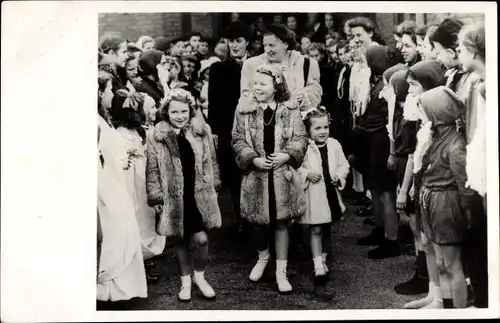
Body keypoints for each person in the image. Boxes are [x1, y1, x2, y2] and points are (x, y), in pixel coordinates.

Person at [232, 64, 308, 293]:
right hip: (256, 175)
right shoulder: (244, 109)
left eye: (263, 84)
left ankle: (281, 271)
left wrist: (286, 155)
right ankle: (263, 256)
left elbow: (301, 138)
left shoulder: (289, 108)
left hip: (282, 175)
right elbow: (237, 139)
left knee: (282, 222)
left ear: (276, 86)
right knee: (258, 223)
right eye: (255, 83)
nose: (257, 88)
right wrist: (253, 159)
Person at [146, 88, 222, 302]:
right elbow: (152, 169)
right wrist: (156, 197)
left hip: (198, 194)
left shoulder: (201, 131)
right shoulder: (157, 136)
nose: (180, 116)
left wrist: (214, 183)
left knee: (201, 239)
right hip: (173, 196)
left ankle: (200, 276)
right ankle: (185, 282)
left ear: (191, 110)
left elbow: (211, 160)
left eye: (184, 111)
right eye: (174, 112)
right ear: (166, 113)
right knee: (179, 240)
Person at [413, 86, 477, 308]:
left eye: (425, 110)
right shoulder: (436, 137)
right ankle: (447, 307)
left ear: (437, 115)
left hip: (445, 206)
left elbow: (465, 187)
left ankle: (459, 309)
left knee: (452, 265)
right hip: (433, 203)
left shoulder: (455, 145)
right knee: (441, 263)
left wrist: (467, 216)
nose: (421, 113)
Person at [398, 59, 447, 308]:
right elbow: (412, 154)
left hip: (435, 186)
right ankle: (432, 292)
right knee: (426, 241)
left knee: (437, 244)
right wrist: (407, 187)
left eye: (413, 85)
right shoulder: (418, 112)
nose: (410, 91)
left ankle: (441, 298)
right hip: (421, 181)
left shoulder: (438, 115)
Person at [97, 70, 147, 302]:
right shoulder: (96, 123)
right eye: (107, 90)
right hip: (107, 185)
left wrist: (123, 158)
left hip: (114, 182)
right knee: (116, 235)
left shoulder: (101, 118)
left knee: (124, 233)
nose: (110, 95)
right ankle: (110, 289)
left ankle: (121, 289)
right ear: (98, 93)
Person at [111, 89, 166, 284]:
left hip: (143, 184)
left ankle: (147, 257)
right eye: (151, 108)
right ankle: (139, 261)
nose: (155, 111)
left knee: (147, 219)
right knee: (137, 221)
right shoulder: (121, 137)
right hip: (132, 185)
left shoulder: (139, 131)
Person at [353, 45, 400, 259]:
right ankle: (380, 230)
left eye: (368, 59)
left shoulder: (387, 84)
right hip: (372, 140)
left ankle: (392, 240)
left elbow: (388, 118)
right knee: (376, 189)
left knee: (386, 193)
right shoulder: (374, 79)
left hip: (382, 141)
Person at [208, 22, 251, 234]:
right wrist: (215, 132)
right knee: (235, 175)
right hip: (229, 128)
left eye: (238, 41)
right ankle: (241, 217)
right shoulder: (218, 69)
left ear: (247, 43)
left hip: (254, 126)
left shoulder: (257, 65)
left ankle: (256, 217)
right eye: (230, 41)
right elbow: (213, 102)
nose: (234, 46)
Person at [298, 106, 350, 283]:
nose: (322, 132)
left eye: (325, 127)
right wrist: (307, 174)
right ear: (308, 129)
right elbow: (295, 167)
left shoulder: (334, 145)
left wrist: (339, 176)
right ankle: (317, 265)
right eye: (317, 128)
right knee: (316, 227)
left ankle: (324, 257)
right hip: (314, 194)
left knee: (327, 226)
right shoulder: (304, 147)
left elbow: (344, 165)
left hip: (330, 192)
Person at [457, 22, 488, 309]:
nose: (457, 52)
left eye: (461, 48)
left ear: (473, 50)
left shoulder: (488, 88)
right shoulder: (477, 85)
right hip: (477, 179)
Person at [240, 24, 322, 114]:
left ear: (285, 45)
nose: (267, 50)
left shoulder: (307, 64)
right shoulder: (252, 65)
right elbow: (245, 98)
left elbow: (316, 92)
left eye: (271, 45)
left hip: (298, 122)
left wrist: (302, 98)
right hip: (266, 124)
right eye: (265, 45)